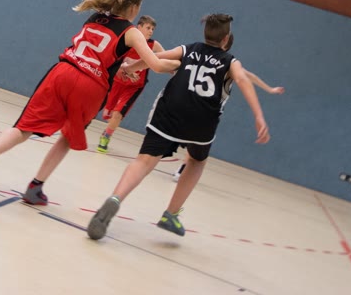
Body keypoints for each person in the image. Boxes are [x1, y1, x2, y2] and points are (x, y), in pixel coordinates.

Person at [0, 0, 180, 205]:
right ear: (134, 8)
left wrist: (124, 66)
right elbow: (157, 65)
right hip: (91, 86)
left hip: (63, 72)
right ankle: (35, 187)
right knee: (67, 136)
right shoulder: (131, 32)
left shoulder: (95, 18)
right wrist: (182, 64)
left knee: (24, 127)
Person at [87, 14, 273, 241]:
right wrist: (259, 116)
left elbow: (157, 57)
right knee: (196, 161)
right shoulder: (230, 61)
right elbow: (243, 80)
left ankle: (115, 198)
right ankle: (171, 214)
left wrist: (130, 67)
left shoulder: (189, 49)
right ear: (226, 39)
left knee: (144, 161)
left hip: (170, 110)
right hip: (202, 119)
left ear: (205, 34)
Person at [171, 33, 284, 181]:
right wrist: (269, 89)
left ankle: (181, 165)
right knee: (196, 146)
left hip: (193, 106)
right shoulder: (229, 63)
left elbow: (249, 77)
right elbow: (249, 77)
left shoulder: (209, 58)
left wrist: (269, 89)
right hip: (206, 112)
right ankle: (182, 168)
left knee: (191, 143)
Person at [96, 15, 164, 153]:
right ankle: (103, 126)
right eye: (148, 28)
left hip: (134, 87)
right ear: (139, 27)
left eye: (153, 29)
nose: (151, 31)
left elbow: (166, 56)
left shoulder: (153, 45)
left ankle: (106, 136)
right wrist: (127, 70)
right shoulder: (128, 40)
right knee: (107, 112)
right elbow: (116, 59)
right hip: (117, 82)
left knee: (118, 113)